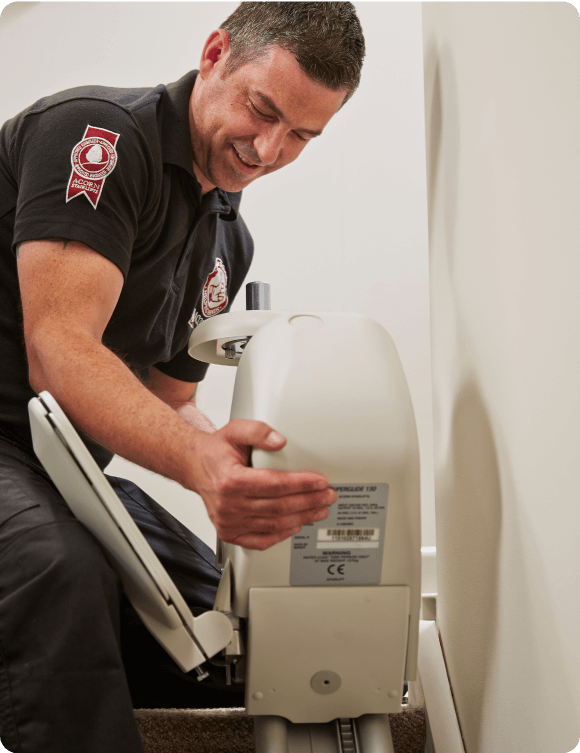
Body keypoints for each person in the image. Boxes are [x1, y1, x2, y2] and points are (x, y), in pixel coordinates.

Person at [0, 2, 365, 751]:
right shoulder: (96, 135)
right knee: (59, 576)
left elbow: (173, 401)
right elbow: (59, 350)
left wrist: (249, 466)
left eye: (301, 136)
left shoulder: (231, 238)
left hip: (66, 472)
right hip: (6, 448)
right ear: (214, 53)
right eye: (261, 109)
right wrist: (198, 464)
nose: (267, 150)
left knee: (224, 625)